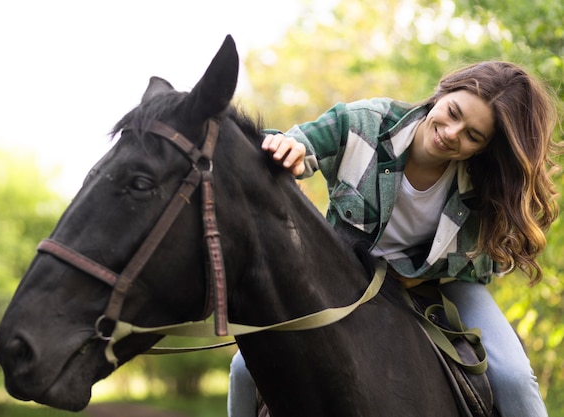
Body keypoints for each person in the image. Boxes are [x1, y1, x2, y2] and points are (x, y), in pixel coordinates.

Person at [227, 61, 560, 417]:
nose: (452, 132)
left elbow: (488, 262)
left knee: (513, 376)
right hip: (346, 279)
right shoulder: (364, 123)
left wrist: (412, 275)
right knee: (243, 368)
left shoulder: (486, 183)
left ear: (483, 147)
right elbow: (298, 145)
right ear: (442, 93)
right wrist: (286, 148)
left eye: (472, 135)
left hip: (440, 285)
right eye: (453, 113)